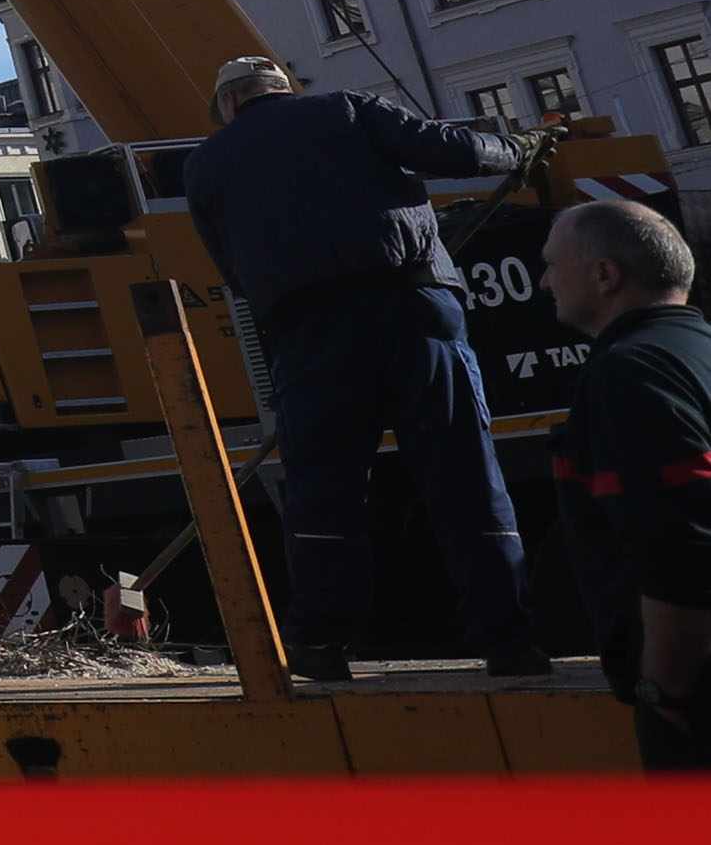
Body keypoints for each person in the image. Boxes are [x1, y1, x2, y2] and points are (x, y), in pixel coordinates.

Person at [177, 55, 547, 678]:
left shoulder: (204, 164)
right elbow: (453, 151)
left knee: (324, 492)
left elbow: (232, 271)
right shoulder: (347, 107)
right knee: (463, 475)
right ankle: (510, 641)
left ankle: (321, 643)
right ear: (281, 89)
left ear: (231, 105)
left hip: (309, 334)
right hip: (416, 309)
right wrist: (519, 148)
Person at [538, 198, 711, 772]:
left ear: (606, 275)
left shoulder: (626, 374)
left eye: (552, 265)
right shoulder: (698, 351)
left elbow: (679, 549)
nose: (543, 282)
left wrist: (664, 693)